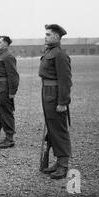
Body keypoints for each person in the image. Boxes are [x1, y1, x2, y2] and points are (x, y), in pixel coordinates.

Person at [39, 24, 72, 180]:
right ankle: (58, 162)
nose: (45, 36)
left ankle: (64, 165)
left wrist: (63, 102)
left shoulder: (59, 54)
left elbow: (65, 81)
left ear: (57, 37)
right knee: (52, 129)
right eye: (45, 34)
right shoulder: (49, 52)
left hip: (55, 95)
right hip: (46, 93)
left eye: (48, 34)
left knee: (59, 129)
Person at [0, 36, 19, 148]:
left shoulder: (8, 56)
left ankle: (10, 138)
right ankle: (6, 136)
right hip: (0, 86)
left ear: (6, 44)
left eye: (0, 42)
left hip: (5, 87)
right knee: (2, 112)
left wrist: (12, 91)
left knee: (7, 112)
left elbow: (13, 75)